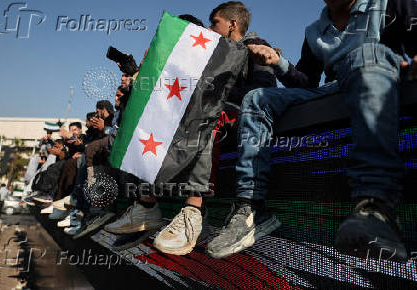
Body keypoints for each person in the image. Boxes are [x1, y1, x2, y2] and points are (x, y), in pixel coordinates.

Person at [206, 0, 417, 260]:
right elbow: (307, 81)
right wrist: (279, 62)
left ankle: (377, 207)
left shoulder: (392, 5)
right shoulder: (315, 30)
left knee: (365, 54)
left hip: (382, 76)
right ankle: (250, 208)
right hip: (335, 88)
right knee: (257, 98)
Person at [104, 3, 279, 256]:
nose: (208, 29)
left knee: (202, 116)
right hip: (211, 112)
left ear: (232, 24)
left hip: (234, 115)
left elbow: (263, 89)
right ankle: (146, 206)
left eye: (214, 23)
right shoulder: (216, 52)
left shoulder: (255, 46)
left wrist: (217, 93)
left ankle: (194, 210)